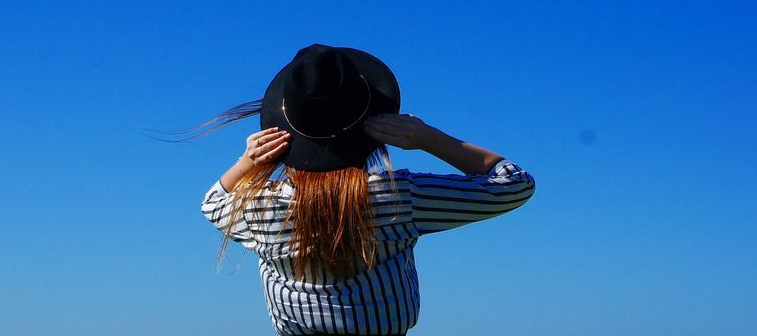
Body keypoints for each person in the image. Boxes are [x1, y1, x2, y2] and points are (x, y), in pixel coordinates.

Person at [199, 44, 535, 335]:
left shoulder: (260, 209)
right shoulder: (398, 197)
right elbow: (514, 184)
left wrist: (249, 163)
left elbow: (213, 203)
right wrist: (429, 138)